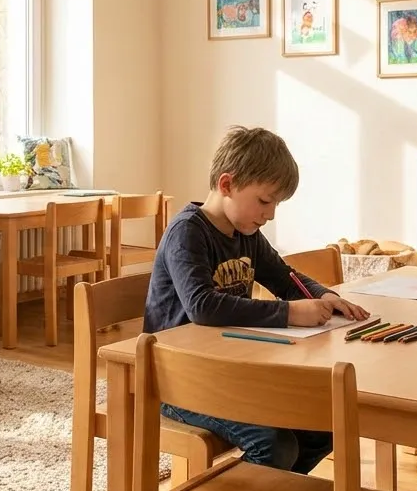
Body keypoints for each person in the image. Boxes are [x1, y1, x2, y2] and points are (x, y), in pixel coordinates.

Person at [143, 125, 369, 473]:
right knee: (274, 446)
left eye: (276, 203)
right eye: (265, 201)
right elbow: (203, 306)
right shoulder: (187, 232)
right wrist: (289, 313)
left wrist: (324, 295)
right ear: (226, 184)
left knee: (323, 425)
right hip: (178, 379)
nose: (271, 213)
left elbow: (284, 277)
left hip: (226, 372)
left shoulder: (246, 232)